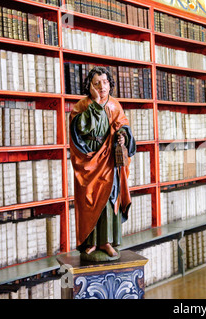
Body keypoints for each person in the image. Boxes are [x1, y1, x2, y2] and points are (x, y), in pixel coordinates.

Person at [69, 66, 136, 259]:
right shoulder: (81, 106)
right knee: (88, 200)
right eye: (97, 83)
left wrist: (122, 136)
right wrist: (96, 103)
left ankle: (106, 242)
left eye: (105, 82)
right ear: (89, 86)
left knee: (107, 200)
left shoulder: (115, 105)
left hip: (108, 162)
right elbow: (79, 129)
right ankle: (89, 243)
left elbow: (123, 125)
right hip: (89, 160)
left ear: (110, 84)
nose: (102, 86)